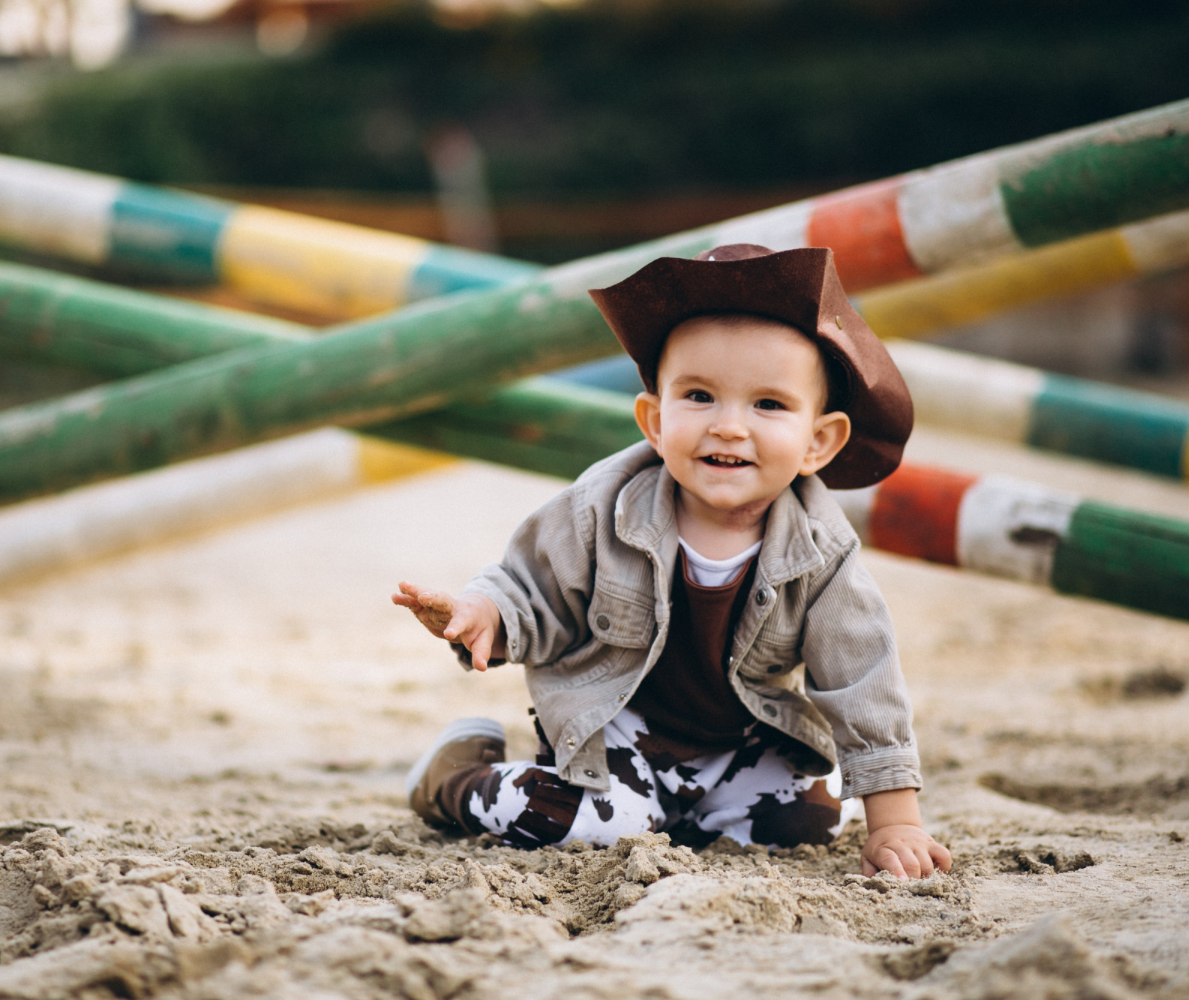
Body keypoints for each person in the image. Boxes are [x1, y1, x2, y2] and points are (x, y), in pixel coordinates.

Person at [392, 244, 951, 880]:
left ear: (817, 442)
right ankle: (456, 776)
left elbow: (863, 681)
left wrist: (896, 820)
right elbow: (531, 585)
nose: (729, 427)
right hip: (617, 735)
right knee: (563, 822)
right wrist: (483, 611)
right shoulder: (601, 510)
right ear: (655, 422)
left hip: (738, 744)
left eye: (768, 405)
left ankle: (675, 814)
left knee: (807, 819)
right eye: (699, 396)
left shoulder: (824, 555)